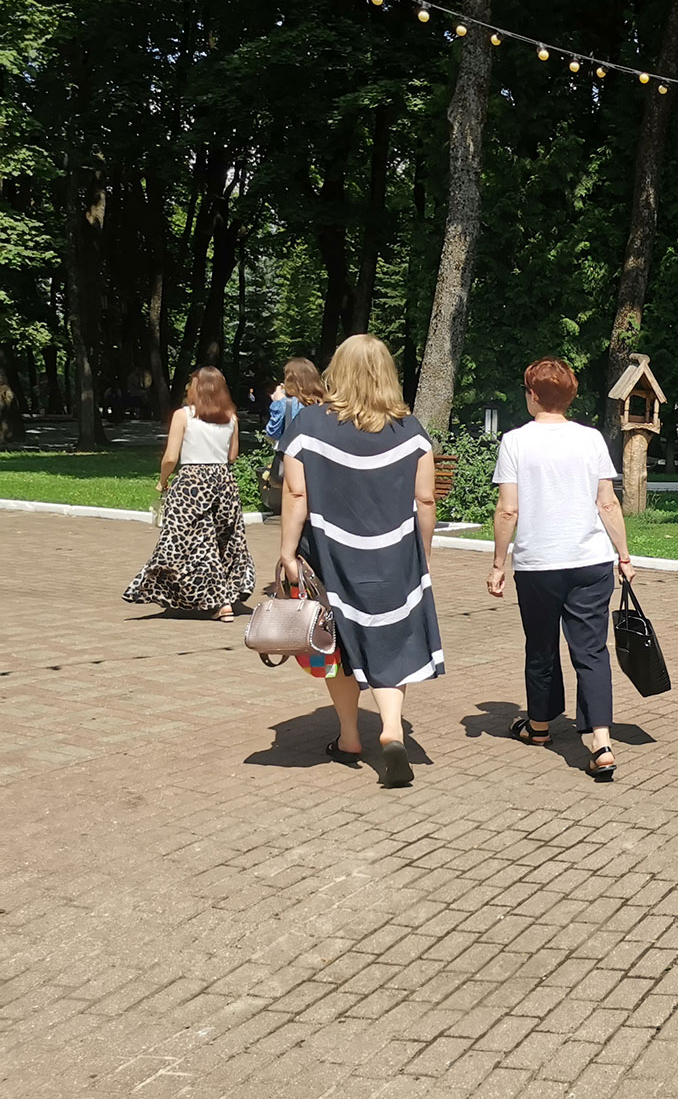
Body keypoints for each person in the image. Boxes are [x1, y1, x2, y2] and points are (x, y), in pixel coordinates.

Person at [279, 335, 444, 788]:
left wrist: (287, 552)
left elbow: (296, 493)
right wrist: (423, 554)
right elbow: (426, 500)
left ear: (338, 369)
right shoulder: (410, 430)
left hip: (330, 555)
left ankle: (350, 737)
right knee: (390, 641)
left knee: (337, 643)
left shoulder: (309, 425)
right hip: (394, 556)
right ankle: (391, 729)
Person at [488, 357, 633, 781]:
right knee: (591, 650)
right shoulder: (591, 439)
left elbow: (508, 509)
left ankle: (539, 726)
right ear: (569, 397)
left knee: (541, 646)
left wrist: (498, 563)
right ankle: (601, 743)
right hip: (590, 561)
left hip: (539, 564)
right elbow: (607, 502)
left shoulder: (515, 442)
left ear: (533, 395)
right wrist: (624, 555)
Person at [124, 367, 256, 621]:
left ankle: (216, 602)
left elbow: (170, 457)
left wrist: (162, 481)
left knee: (190, 543)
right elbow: (232, 456)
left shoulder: (183, 415)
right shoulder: (231, 417)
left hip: (192, 484)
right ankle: (226, 598)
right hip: (223, 482)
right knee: (224, 542)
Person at [264, 357, 326, 492]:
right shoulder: (324, 403)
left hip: (294, 462)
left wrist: (277, 402)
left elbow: (272, 433)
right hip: (320, 462)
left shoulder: (287, 404)